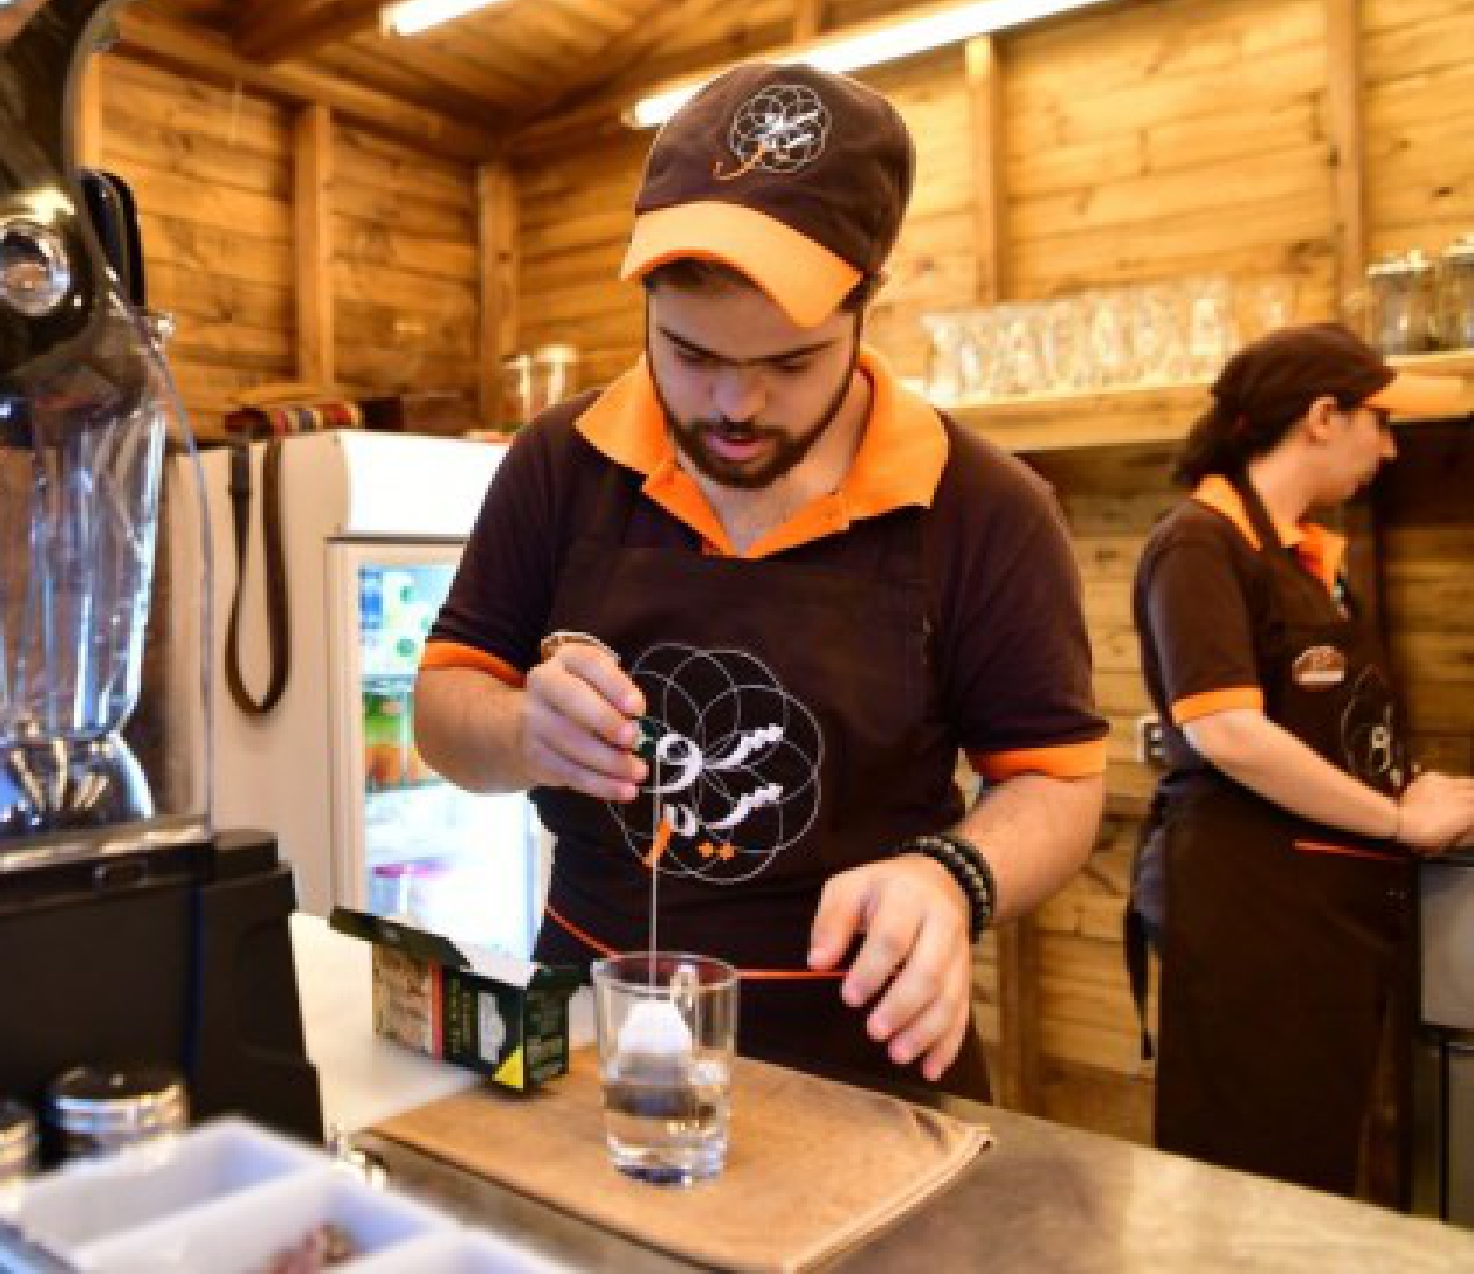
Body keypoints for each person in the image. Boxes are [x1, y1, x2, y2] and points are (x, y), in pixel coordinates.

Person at [412, 61, 1107, 1098]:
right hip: (593, 1040)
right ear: (643, 299)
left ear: (866, 302)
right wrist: (519, 733)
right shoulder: (560, 462)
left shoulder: (983, 507)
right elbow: (439, 709)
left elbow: (1055, 779)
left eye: (788, 365)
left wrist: (953, 876)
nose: (733, 406)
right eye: (688, 354)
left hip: (863, 1060)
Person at [1130, 323, 1474, 1199]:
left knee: (1311, 1172)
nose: (1391, 449)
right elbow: (1229, 733)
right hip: (1255, 924)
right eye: (1380, 423)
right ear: (1323, 416)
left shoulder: (1305, 554)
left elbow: (1317, 720)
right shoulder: (1200, 544)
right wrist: (1399, 819)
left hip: (1325, 924)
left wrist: (1404, 780)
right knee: (1248, 1191)